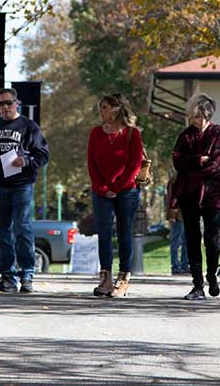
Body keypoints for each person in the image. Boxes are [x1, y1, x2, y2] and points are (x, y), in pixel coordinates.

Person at [0, 87, 50, 293]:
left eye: (9, 103)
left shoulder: (29, 127)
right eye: (1, 104)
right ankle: (8, 277)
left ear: (17, 103)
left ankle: (27, 274)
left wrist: (25, 160)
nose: (5, 107)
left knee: (22, 228)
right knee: (1, 233)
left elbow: (43, 154)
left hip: (21, 186)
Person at [171, 94, 220, 300]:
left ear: (206, 115)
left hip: (213, 195)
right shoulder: (186, 135)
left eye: (196, 116)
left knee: (212, 240)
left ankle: (212, 275)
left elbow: (216, 165)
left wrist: (192, 168)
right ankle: (197, 285)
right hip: (189, 195)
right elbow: (177, 160)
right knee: (192, 239)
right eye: (191, 116)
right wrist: (198, 160)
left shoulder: (219, 134)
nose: (193, 120)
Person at [87, 93, 144, 297]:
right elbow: (91, 163)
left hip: (127, 191)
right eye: (100, 108)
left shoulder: (132, 134)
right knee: (104, 233)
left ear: (115, 109)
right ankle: (105, 278)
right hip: (101, 191)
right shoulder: (96, 133)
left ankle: (123, 278)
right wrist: (102, 188)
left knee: (124, 232)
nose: (100, 112)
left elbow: (135, 165)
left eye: (104, 107)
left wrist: (117, 187)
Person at [166, 174, 189, 275]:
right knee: (176, 241)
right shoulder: (175, 179)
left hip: (188, 215)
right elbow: (171, 198)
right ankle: (175, 266)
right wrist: (171, 213)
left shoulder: (189, 178)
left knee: (186, 241)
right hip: (178, 215)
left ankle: (185, 265)